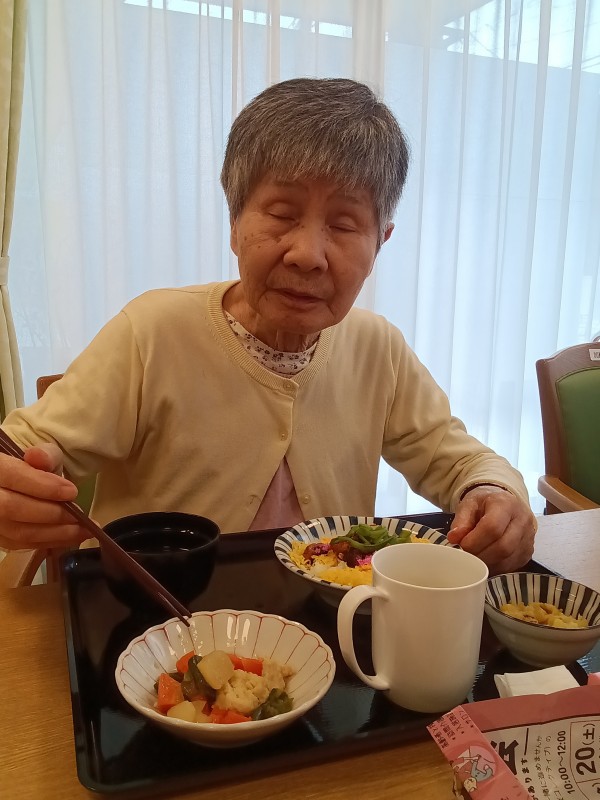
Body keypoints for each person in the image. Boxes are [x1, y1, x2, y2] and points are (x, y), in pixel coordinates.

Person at [0, 77, 536, 574]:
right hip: (158, 620)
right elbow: (23, 448)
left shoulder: (378, 348)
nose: (308, 254)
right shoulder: (152, 332)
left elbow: (452, 455)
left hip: (329, 622)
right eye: (281, 213)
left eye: (344, 224)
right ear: (235, 222)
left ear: (380, 243)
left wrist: (495, 493)